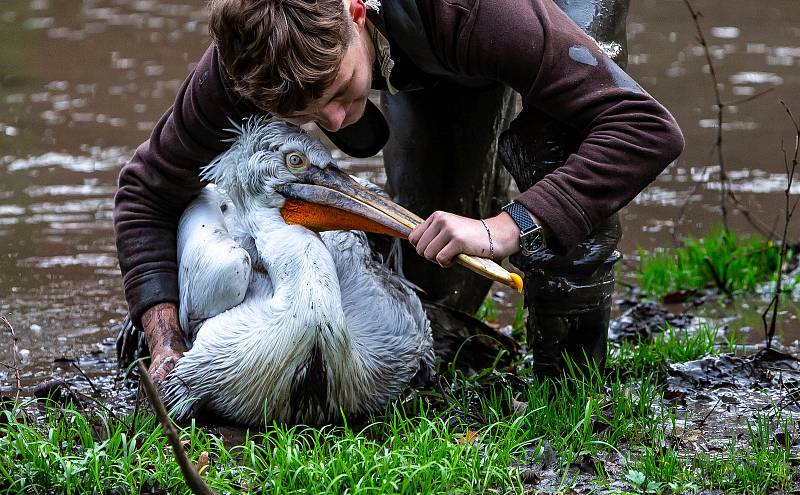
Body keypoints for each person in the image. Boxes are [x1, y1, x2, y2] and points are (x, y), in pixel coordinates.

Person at [114, 0, 684, 383]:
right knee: (431, 272)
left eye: (340, 89)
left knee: (561, 141)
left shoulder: (469, 12)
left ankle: (572, 386)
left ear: (355, 13)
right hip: (414, 43)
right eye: (305, 114)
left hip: (518, 13)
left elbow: (644, 128)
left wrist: (504, 228)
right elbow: (146, 189)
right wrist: (165, 341)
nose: (335, 122)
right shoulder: (256, 56)